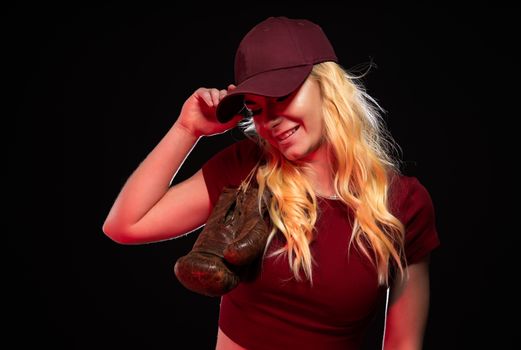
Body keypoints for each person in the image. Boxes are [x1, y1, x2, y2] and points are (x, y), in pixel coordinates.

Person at [102, 16, 440, 350]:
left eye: (282, 97)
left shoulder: (402, 203)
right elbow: (126, 225)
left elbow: (403, 341)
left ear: (328, 87)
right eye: (257, 108)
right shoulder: (246, 169)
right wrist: (186, 130)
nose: (271, 121)